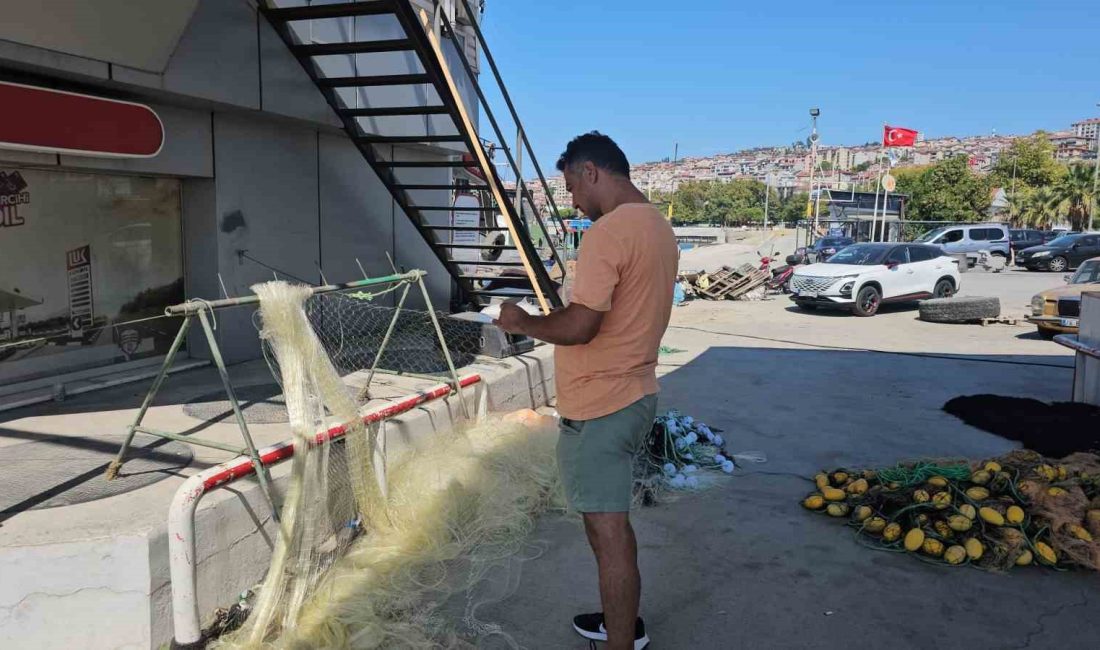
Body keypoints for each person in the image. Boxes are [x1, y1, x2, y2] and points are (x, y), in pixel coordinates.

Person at [494, 132, 678, 650]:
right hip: (635, 392)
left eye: (573, 185)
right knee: (608, 526)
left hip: (602, 406)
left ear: (593, 172)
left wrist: (523, 321)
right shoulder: (658, 226)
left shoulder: (608, 233)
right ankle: (619, 619)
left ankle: (621, 641)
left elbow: (580, 326)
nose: (572, 199)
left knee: (607, 531)